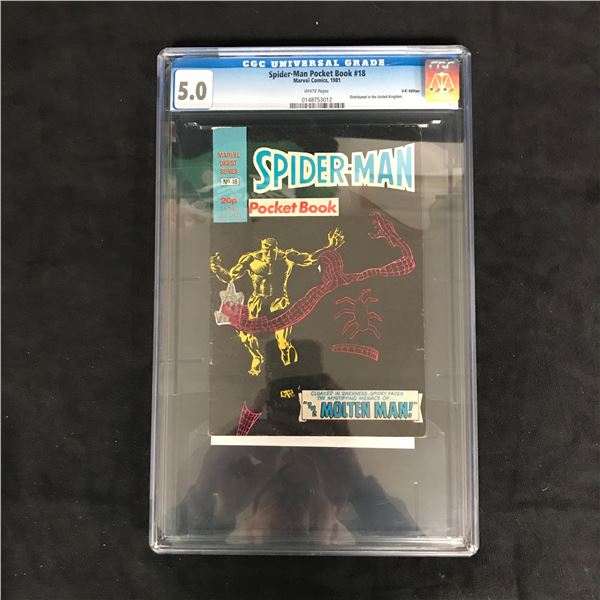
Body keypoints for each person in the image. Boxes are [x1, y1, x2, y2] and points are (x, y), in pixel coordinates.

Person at [209, 228, 345, 375]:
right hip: (257, 301)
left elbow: (310, 259)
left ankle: (287, 357)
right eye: (266, 249)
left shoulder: (287, 257)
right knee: (245, 334)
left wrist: (331, 246)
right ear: (262, 247)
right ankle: (256, 357)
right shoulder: (251, 259)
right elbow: (230, 276)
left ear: (276, 248)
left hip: (279, 301)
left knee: (282, 340)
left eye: (271, 250)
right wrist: (216, 268)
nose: (268, 253)